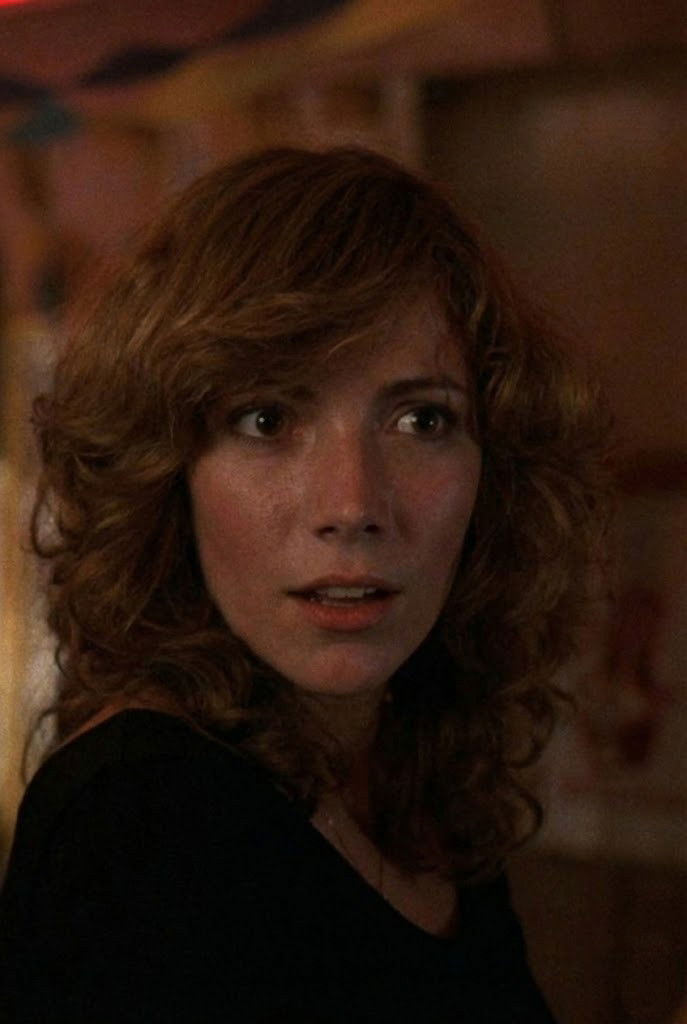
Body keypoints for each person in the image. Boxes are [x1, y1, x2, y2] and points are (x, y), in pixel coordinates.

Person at [0, 146, 607, 1023]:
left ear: (497, 471)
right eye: (267, 419)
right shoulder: (143, 822)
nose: (352, 505)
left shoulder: (413, 777)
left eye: (420, 419)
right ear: (166, 473)